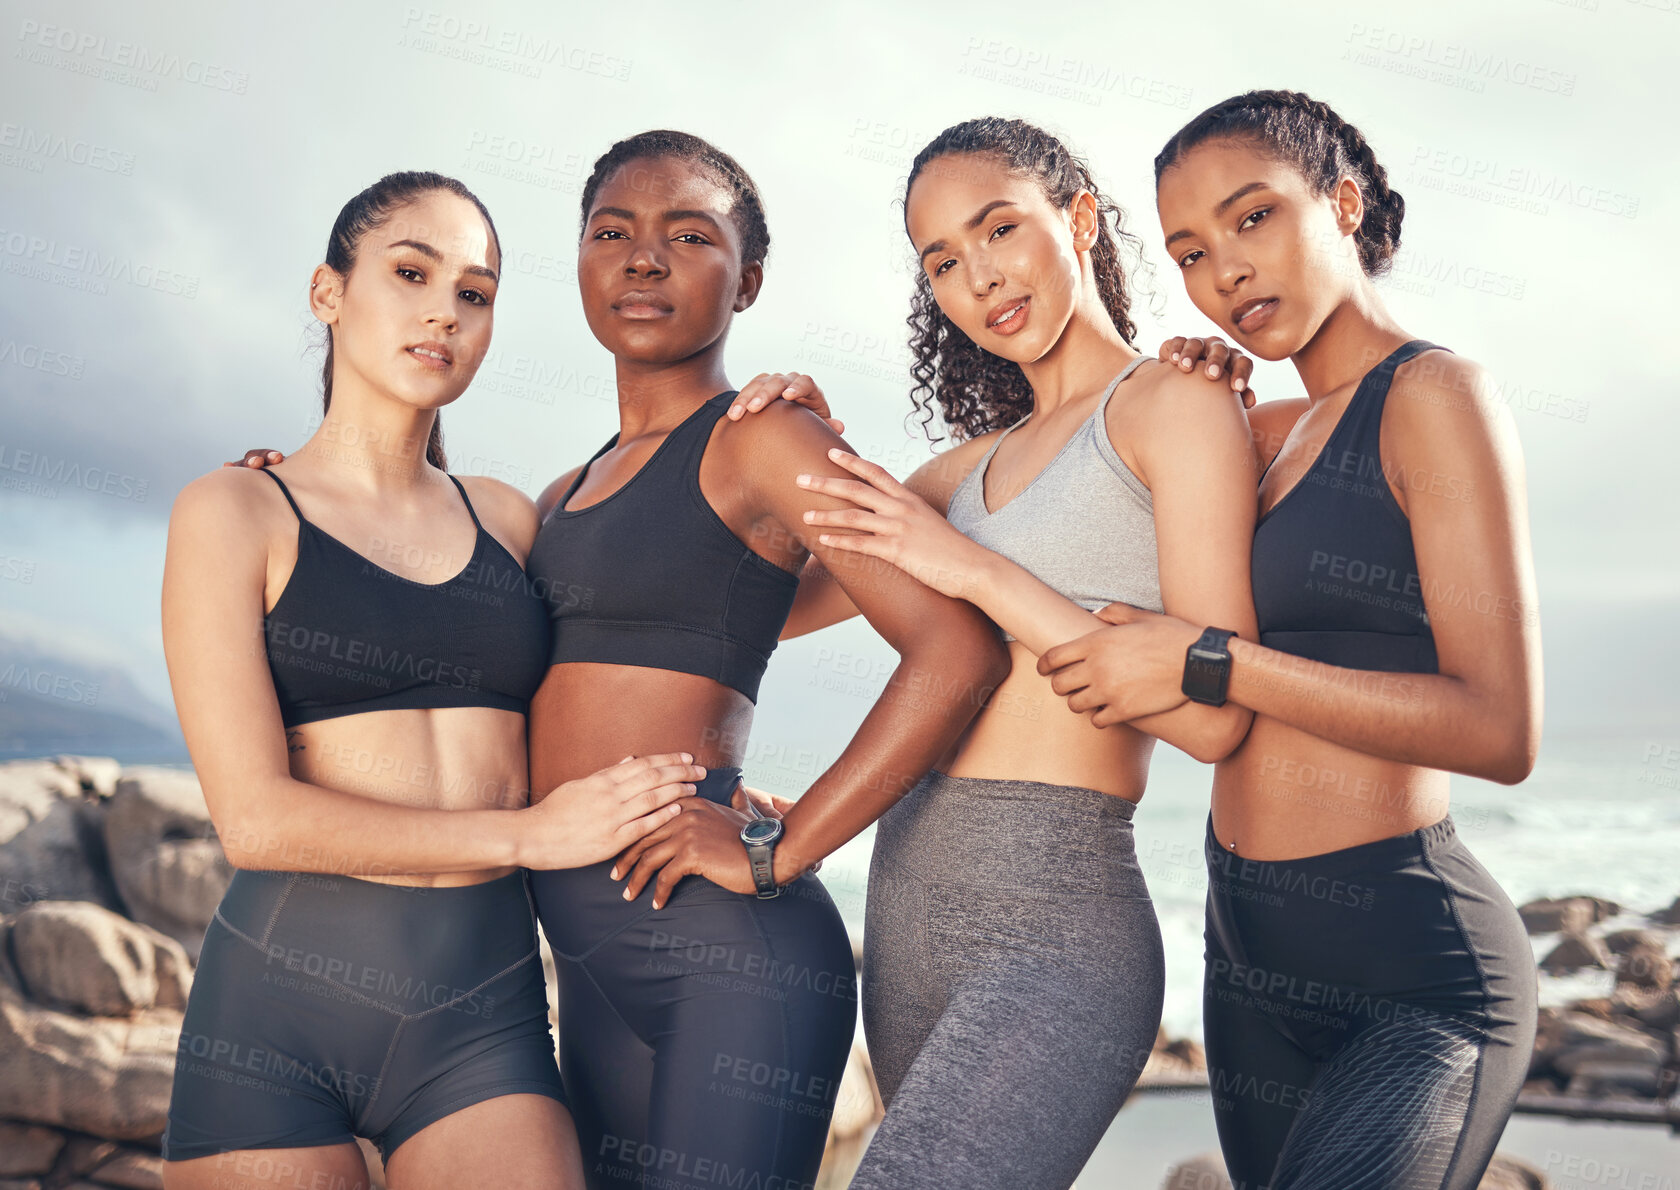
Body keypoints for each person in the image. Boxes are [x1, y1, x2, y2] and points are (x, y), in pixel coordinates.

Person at [656, 117, 1263, 1190]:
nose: (978, 278)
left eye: (999, 231)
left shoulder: (1178, 406)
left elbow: (1216, 714)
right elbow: (751, 609)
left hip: (1060, 929)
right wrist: (788, 457)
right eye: (943, 261)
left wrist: (973, 572)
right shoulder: (954, 475)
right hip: (905, 914)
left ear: (1078, 219)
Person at [160, 171, 706, 1190]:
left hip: (481, 1029)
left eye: (475, 292)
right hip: (272, 1022)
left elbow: (691, 617)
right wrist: (530, 834)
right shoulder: (234, 511)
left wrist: (713, 781)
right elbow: (256, 820)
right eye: (411, 273)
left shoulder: (509, 519)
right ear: (329, 293)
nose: (442, 312)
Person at [1038, 90, 1541, 1188]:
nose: (1224, 271)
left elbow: (1500, 728)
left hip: (1414, 979)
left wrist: (1209, 661)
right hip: (1248, 966)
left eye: (1254, 217)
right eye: (1190, 250)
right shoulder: (1250, 427)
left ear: (1344, 203)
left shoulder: (1434, 395)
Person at [521, 130, 1010, 1190]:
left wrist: (786, 843)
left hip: (731, 957)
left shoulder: (763, 434)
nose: (643, 257)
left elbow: (955, 646)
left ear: (748, 280)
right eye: (614, 231)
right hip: (595, 966)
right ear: (580, 262)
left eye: (688, 234)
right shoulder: (560, 496)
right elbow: (725, 614)